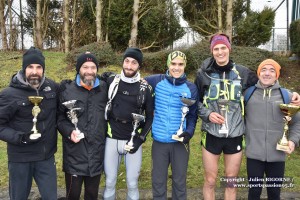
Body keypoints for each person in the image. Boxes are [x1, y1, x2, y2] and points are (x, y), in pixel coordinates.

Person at [195, 33, 300, 200]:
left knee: (231, 181)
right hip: (211, 134)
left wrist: (290, 93)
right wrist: (207, 114)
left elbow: (266, 83)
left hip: (235, 135)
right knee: (210, 180)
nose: (220, 52)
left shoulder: (243, 73)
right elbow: (196, 102)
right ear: (211, 51)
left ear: (229, 49)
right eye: (216, 48)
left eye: (223, 47)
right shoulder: (203, 74)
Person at [0, 47, 58, 200]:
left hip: (46, 158)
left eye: (39, 67)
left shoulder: (51, 88)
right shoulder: (9, 94)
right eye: (30, 67)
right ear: (24, 68)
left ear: (43, 69)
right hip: (20, 159)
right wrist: (21, 137)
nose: (34, 71)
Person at [145, 51, 198, 200]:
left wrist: (189, 132)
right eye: (173, 64)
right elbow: (134, 81)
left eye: (180, 64)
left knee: (179, 183)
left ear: (185, 66)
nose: (176, 67)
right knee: (158, 182)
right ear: (168, 64)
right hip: (160, 142)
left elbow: (193, 115)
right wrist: (111, 78)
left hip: (180, 143)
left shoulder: (191, 88)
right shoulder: (156, 81)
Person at [245, 59, 300, 200]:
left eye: (272, 70)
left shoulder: (287, 96)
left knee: (274, 194)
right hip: (254, 155)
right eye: (263, 69)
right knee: (254, 193)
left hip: (277, 154)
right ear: (258, 73)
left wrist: (293, 141)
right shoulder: (248, 94)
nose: (267, 73)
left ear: (277, 75)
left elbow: (296, 123)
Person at [103, 47, 154, 200]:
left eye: (134, 62)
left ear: (139, 66)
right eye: (127, 61)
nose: (129, 66)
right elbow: (91, 79)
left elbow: (150, 117)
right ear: (123, 62)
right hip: (112, 138)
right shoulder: (111, 81)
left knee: (132, 183)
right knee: (110, 181)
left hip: (133, 140)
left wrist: (141, 139)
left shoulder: (146, 88)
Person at [57, 52, 108, 200]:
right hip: (74, 156)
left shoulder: (104, 88)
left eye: (93, 67)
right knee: (72, 195)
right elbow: (60, 118)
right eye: (85, 67)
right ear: (78, 69)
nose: (89, 71)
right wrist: (69, 132)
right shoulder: (67, 90)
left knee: (92, 195)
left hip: (96, 155)